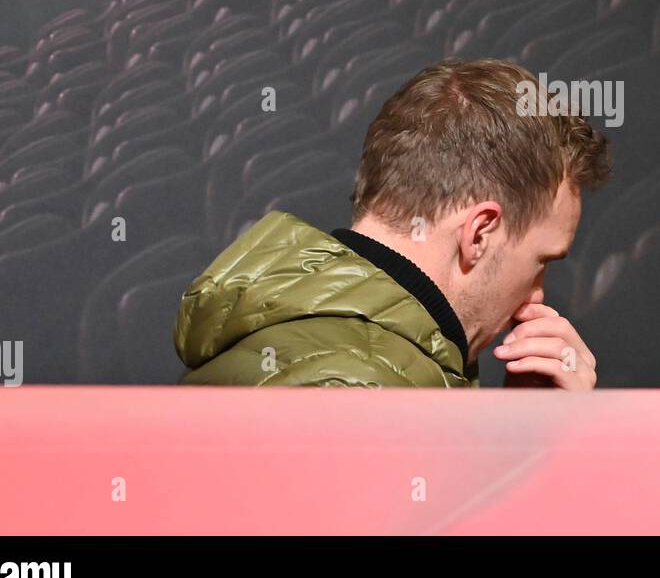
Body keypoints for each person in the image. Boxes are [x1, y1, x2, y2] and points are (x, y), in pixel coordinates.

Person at [173, 58, 612, 389]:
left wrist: (509, 433)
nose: (537, 295)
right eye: (541, 262)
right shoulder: (357, 390)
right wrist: (542, 454)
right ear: (479, 233)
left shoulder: (326, 354)